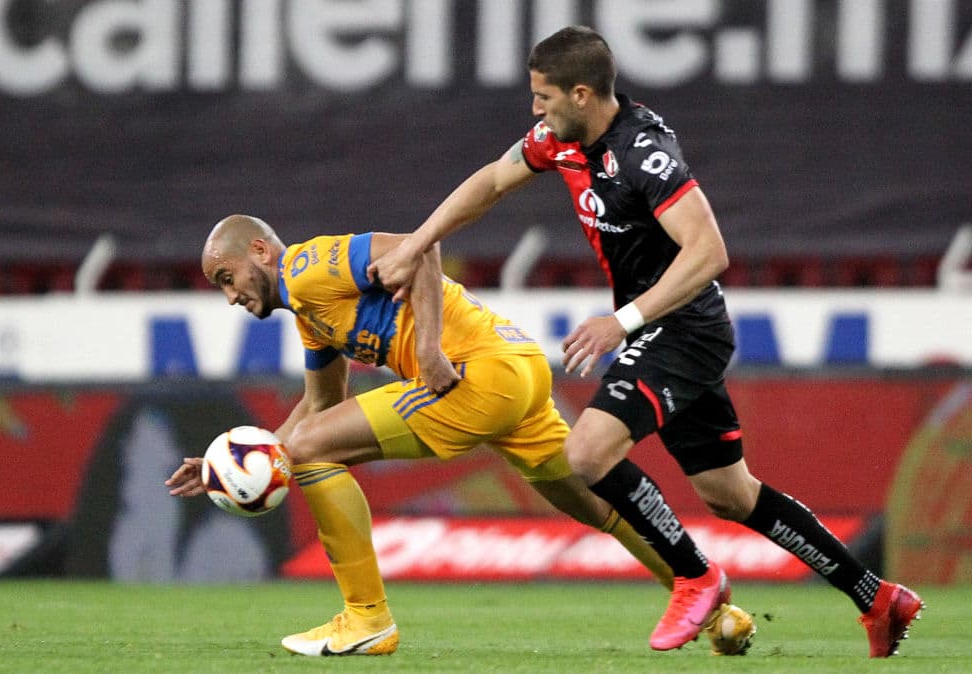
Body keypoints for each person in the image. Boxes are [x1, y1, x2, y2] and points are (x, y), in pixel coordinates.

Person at [367, 25, 923, 658]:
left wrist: (622, 321)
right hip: (670, 330)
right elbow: (492, 181)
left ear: (581, 94)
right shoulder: (562, 141)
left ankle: (695, 576)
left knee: (587, 453)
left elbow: (709, 252)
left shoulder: (643, 152)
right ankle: (876, 597)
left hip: (682, 329)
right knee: (731, 494)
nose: (534, 111)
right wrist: (415, 246)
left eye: (543, 97)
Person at [167, 214, 749, 657]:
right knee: (593, 504)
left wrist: (426, 350)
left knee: (314, 450)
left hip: (477, 375)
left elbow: (420, 249)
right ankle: (709, 597)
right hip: (517, 370)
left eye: (228, 277)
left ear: (261, 252)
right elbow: (319, 405)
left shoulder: (310, 267)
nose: (231, 296)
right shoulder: (311, 315)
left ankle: (367, 618)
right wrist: (232, 463)